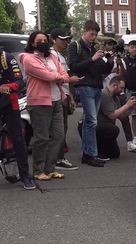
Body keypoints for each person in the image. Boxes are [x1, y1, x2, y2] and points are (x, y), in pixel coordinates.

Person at [20, 31, 79, 180]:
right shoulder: (28, 58)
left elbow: (64, 73)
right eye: (39, 40)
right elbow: (47, 75)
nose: (42, 42)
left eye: (45, 40)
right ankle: (38, 170)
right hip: (39, 102)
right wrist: (62, 79)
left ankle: (50, 169)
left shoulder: (52, 56)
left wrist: (62, 78)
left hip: (56, 100)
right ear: (32, 43)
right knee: (42, 138)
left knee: (58, 136)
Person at [68, 20, 113, 167]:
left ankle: (89, 153)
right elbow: (73, 66)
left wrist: (110, 60)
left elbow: (103, 69)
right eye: (91, 34)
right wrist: (92, 59)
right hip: (85, 85)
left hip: (96, 86)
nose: (93, 37)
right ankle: (90, 154)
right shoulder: (75, 46)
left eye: (95, 35)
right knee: (92, 121)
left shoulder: (93, 49)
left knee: (90, 121)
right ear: (85, 31)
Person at [0, 48, 35, 189]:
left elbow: (20, 82)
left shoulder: (6, 58)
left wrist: (6, 87)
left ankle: (25, 176)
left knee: (18, 138)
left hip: (9, 102)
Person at [49, 28, 78, 171]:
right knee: (58, 130)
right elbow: (57, 78)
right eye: (62, 39)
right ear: (53, 39)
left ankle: (58, 158)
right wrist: (70, 80)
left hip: (63, 94)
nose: (66, 42)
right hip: (55, 96)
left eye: (67, 39)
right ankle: (57, 159)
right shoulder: (51, 55)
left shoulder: (61, 55)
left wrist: (70, 96)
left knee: (62, 128)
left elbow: (65, 81)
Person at [97, 76, 136, 159]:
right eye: (121, 88)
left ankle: (104, 149)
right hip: (96, 126)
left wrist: (131, 108)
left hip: (105, 127)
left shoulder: (115, 98)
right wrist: (127, 105)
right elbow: (112, 115)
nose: (122, 91)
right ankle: (98, 151)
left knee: (115, 154)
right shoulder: (104, 94)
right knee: (113, 129)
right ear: (114, 85)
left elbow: (121, 116)